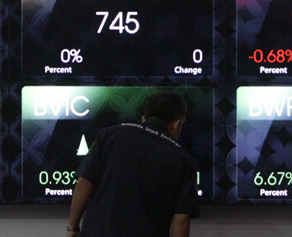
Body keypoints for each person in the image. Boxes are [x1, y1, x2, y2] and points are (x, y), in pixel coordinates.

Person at [66, 91, 200, 237]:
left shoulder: (109, 135)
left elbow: (84, 182)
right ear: (176, 124)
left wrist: (73, 228)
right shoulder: (184, 160)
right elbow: (181, 219)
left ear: (144, 118)